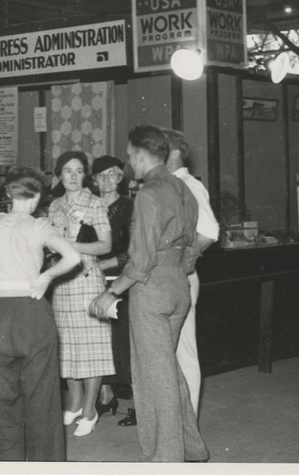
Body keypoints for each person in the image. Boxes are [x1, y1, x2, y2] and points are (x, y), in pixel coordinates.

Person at [89, 124, 209, 463]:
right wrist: (176, 272)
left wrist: (110, 293)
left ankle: (166, 459)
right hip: (179, 286)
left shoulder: (148, 193)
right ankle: (192, 448)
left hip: (151, 291)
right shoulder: (184, 189)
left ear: (142, 157)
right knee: (167, 369)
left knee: (153, 377)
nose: (129, 163)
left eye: (129, 157)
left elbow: (141, 259)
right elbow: (191, 249)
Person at [0, 166, 82, 461]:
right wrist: (47, 277)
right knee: (42, 400)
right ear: (36, 196)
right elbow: (72, 257)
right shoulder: (39, 226)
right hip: (32, 310)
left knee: (5, 400)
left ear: (8, 193)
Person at [47, 151, 114, 437]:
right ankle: (73, 403)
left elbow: (105, 246)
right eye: (67, 171)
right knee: (66, 345)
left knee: (91, 346)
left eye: (77, 171)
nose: (72, 176)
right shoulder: (54, 205)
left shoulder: (95, 203)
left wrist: (72, 245)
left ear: (84, 174)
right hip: (62, 282)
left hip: (87, 281)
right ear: (59, 175)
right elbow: (50, 244)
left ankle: (90, 409)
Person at [163, 128, 220, 416]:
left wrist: (187, 259)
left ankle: (189, 425)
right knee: (167, 353)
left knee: (184, 351)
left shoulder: (188, 185)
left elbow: (209, 231)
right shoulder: (166, 184)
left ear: (172, 153)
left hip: (180, 279)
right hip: (164, 280)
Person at [89, 155, 135, 426]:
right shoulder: (89, 206)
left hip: (119, 282)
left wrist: (100, 263)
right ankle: (106, 397)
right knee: (98, 341)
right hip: (90, 280)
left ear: (120, 178)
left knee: (122, 344)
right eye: (101, 175)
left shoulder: (128, 207)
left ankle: (139, 405)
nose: (106, 179)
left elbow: (134, 252)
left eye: (112, 174)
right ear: (94, 180)